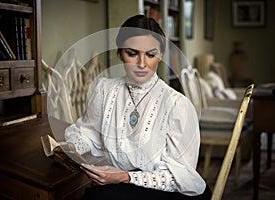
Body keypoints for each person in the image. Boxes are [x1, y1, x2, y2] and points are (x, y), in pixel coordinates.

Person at [64, 14, 211, 200]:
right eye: (132, 53)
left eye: (150, 54)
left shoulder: (177, 105)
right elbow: (89, 132)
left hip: (169, 190)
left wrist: (125, 177)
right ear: (119, 53)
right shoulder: (105, 90)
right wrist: (72, 146)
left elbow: (179, 177)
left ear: (161, 56)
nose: (142, 64)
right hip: (119, 183)